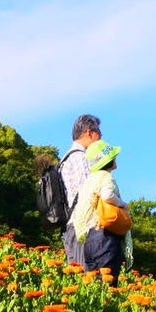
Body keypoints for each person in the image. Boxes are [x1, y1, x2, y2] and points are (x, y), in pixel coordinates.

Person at [69, 139, 130, 276]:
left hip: (89, 240)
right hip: (105, 237)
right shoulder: (106, 176)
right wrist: (122, 204)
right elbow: (107, 195)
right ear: (108, 160)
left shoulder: (90, 179)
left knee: (95, 284)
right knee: (108, 284)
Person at [60, 114, 101, 265]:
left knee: (76, 275)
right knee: (86, 276)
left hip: (71, 226)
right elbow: (89, 194)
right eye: (99, 134)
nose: (100, 139)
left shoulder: (66, 158)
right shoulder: (80, 157)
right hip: (82, 226)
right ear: (89, 133)